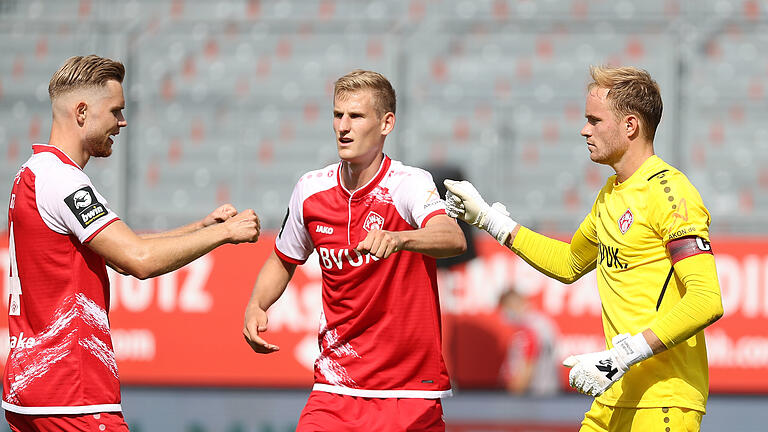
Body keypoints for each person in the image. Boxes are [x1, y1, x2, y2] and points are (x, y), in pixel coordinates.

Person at [444, 65, 723, 431]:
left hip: (663, 401)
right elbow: (569, 262)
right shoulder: (609, 196)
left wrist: (622, 356)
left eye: (594, 120)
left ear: (630, 125)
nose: (584, 129)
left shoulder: (669, 191)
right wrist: (490, 220)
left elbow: (706, 300)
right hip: (614, 396)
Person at [4, 55, 261, 431]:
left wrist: (200, 226)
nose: (122, 123)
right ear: (81, 111)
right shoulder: (63, 181)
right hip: (71, 392)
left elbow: (122, 254)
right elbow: (139, 260)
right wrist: (224, 233)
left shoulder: (32, 172)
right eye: (115, 111)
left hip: (31, 390)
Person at [242, 70, 466, 431]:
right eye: (337, 115)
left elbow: (452, 237)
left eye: (356, 116)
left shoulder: (408, 184)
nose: (343, 127)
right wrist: (257, 304)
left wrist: (399, 238)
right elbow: (283, 259)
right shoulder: (310, 189)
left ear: (386, 123)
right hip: (334, 387)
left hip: (407, 393)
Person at [496, 287, 559, 396]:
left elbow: (527, 369)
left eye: (505, 308)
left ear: (513, 305)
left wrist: (512, 397)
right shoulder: (542, 322)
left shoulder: (529, 327)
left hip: (532, 395)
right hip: (548, 391)